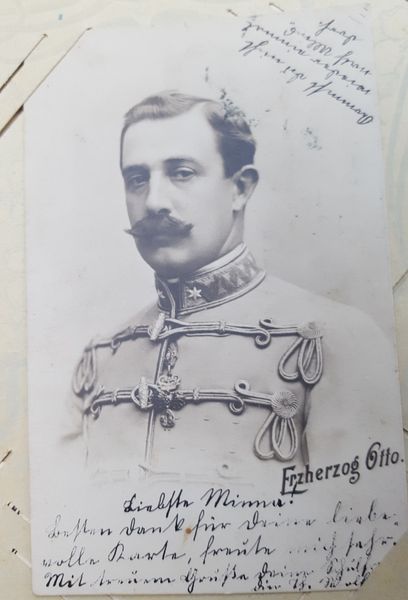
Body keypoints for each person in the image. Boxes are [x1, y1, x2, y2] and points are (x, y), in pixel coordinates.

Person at [68, 90, 397, 486]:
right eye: (137, 179)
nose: (153, 202)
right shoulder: (100, 357)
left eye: (182, 173)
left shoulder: (339, 340)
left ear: (240, 188)